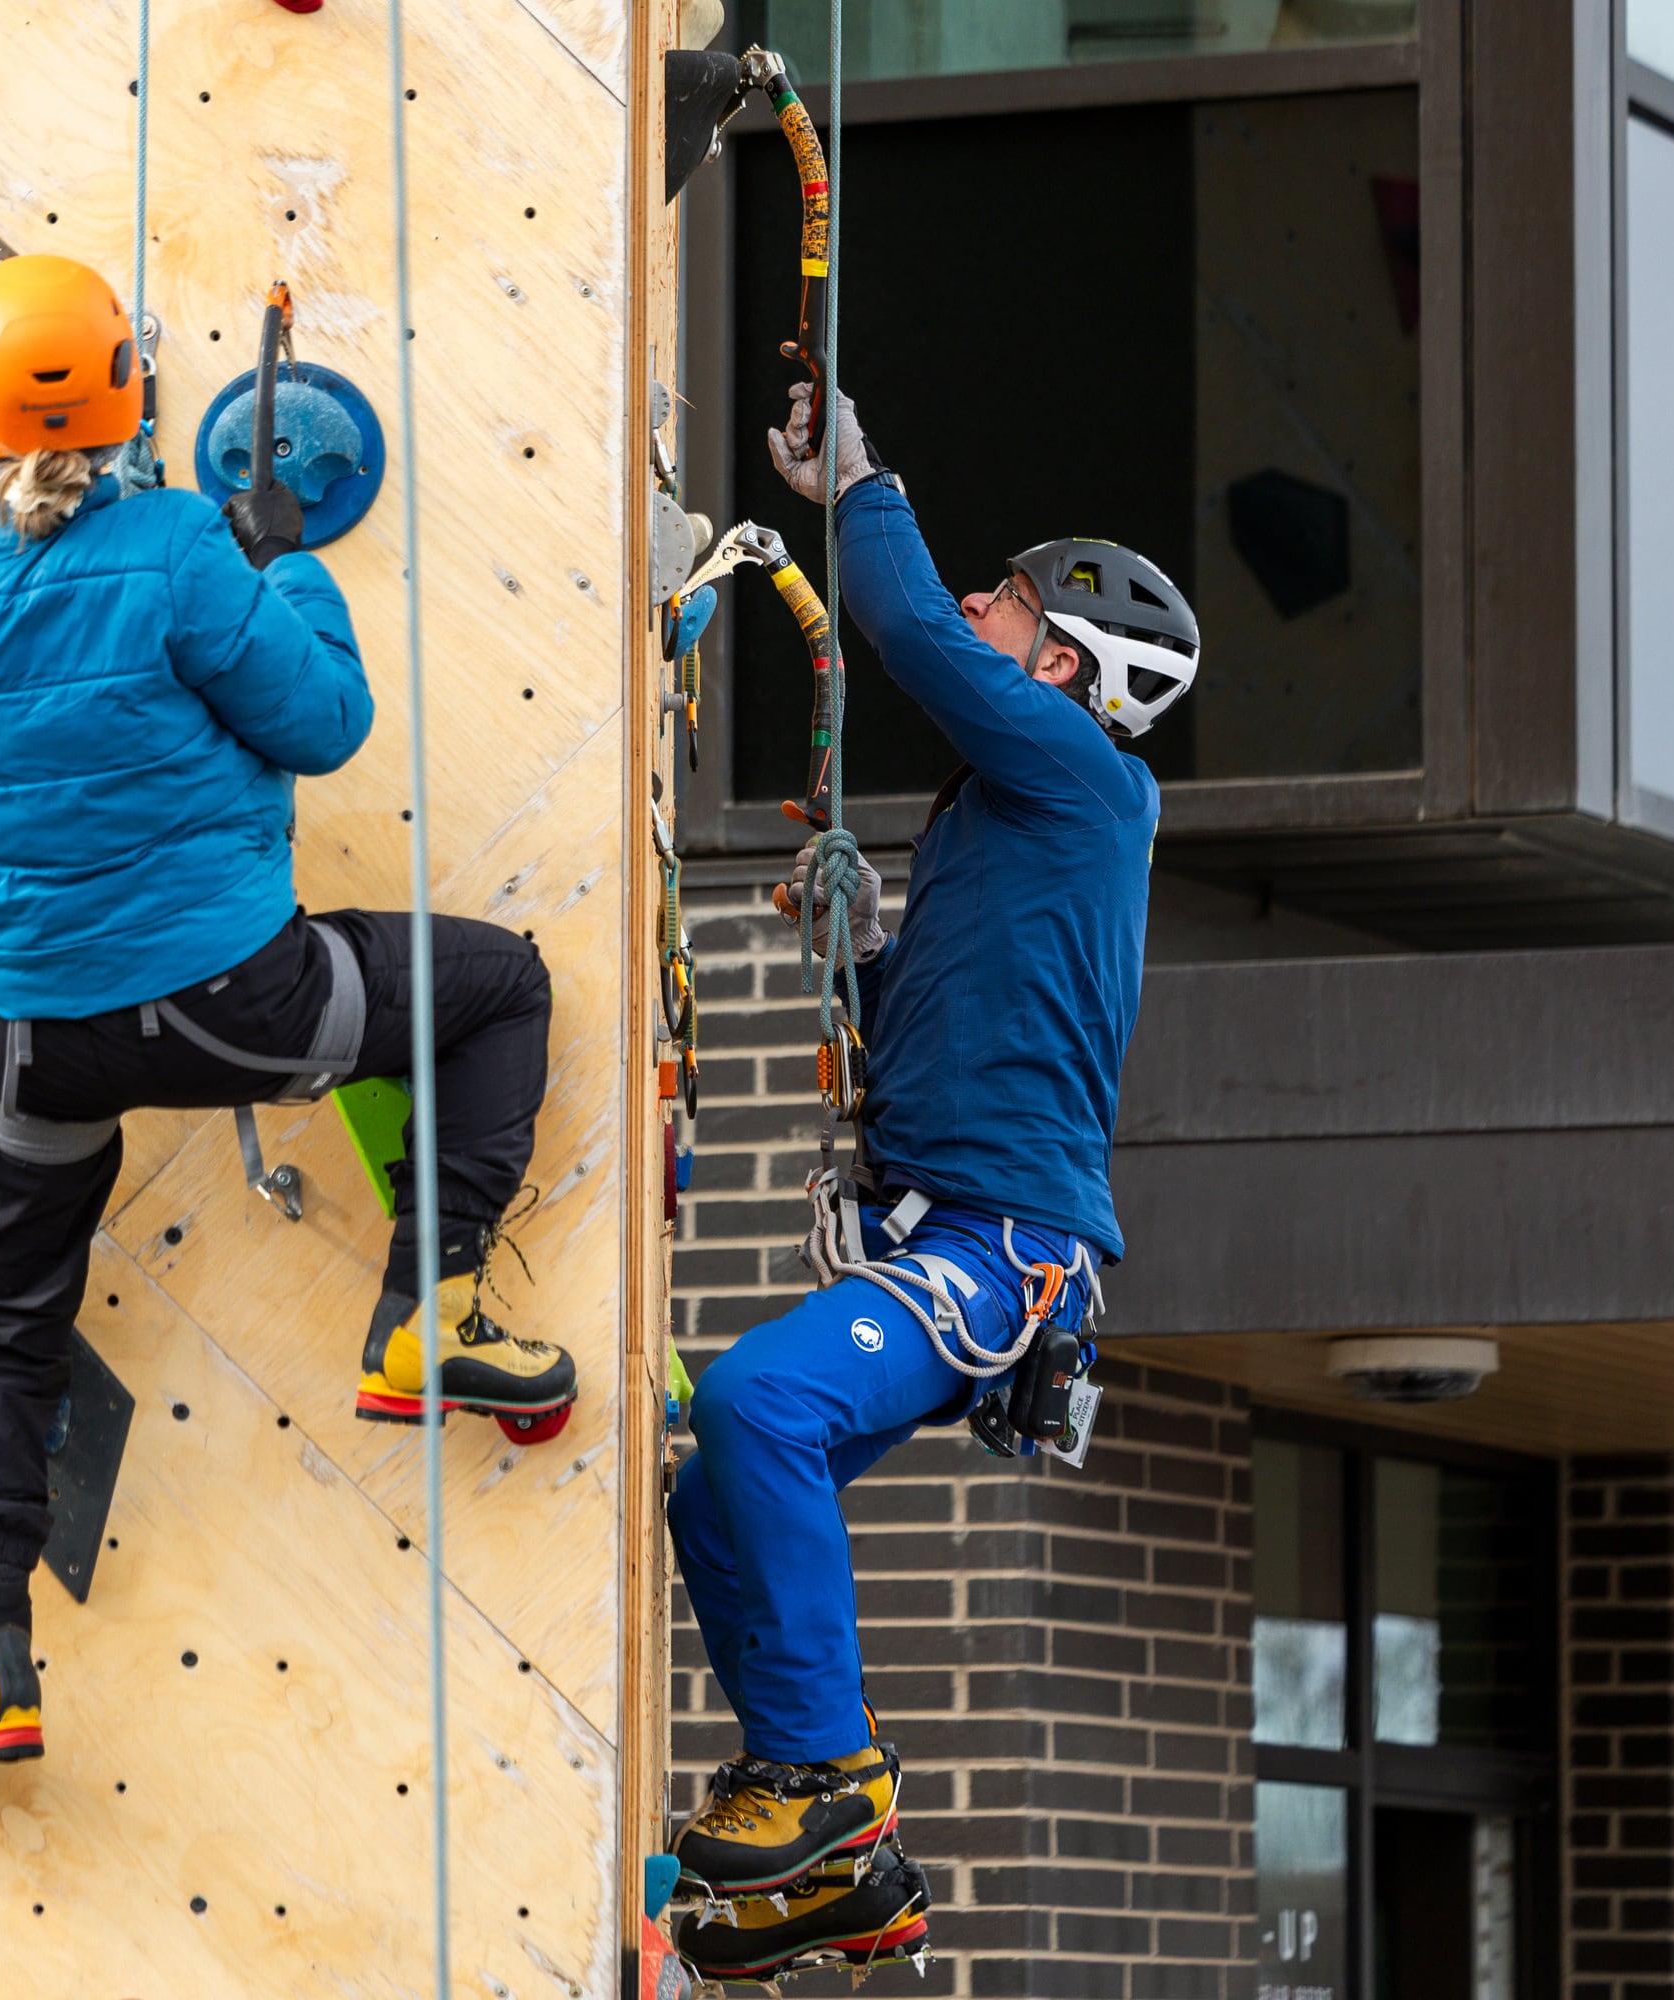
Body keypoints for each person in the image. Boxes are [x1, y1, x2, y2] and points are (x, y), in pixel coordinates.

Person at [0, 253, 574, 1769]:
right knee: (499, 986)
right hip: (239, 1008)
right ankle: (421, 1313)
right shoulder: (183, 550)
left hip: (29, 1041)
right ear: (134, 403)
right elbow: (325, 720)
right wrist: (282, 563)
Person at [663, 382, 1199, 1967]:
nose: (979, 606)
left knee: (759, 1403)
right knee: (720, 1478)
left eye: (1012, 606)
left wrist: (865, 485)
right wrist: (868, 956)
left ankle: (831, 1777)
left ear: (1069, 674)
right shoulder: (1015, 818)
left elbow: (903, 627)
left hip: (1004, 1241)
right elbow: (959, 1017)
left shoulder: (1088, 778)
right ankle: (823, 1851)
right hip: (961, 1224)